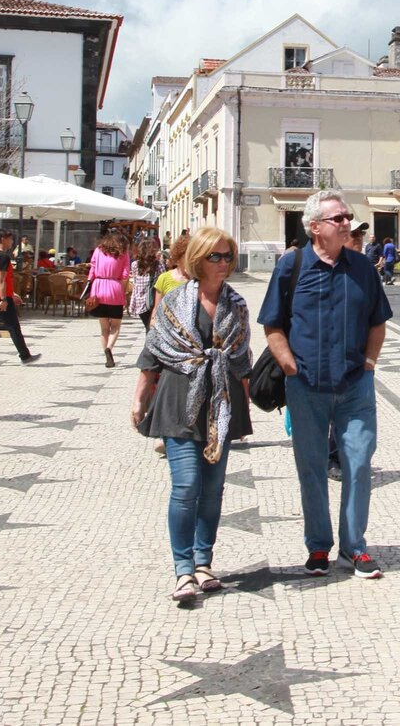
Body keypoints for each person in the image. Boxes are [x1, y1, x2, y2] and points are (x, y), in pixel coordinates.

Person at [258, 188, 392, 579]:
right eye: (339, 218)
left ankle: (354, 548)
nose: (347, 223)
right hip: (306, 386)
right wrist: (289, 366)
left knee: (358, 464)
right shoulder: (292, 265)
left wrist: (369, 364)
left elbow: (378, 322)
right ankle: (318, 546)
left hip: (355, 386)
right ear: (315, 227)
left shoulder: (362, 268)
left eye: (348, 217)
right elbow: (272, 324)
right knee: (312, 468)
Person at [130, 227, 252, 602]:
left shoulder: (237, 305)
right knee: (186, 486)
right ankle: (183, 570)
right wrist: (139, 398)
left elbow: (241, 359)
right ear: (198, 260)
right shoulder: (174, 301)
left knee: (212, 490)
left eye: (228, 256)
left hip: (220, 403)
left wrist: (244, 408)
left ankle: (203, 563)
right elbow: (154, 350)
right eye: (215, 256)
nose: (223, 263)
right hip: (178, 400)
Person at [0, 230, 40, 365]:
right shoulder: (3, 257)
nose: (11, 242)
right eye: (10, 239)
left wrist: (12, 293)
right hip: (0, 296)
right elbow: (1, 280)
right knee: (13, 327)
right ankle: (25, 356)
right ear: (3, 239)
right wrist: (4, 299)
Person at [86, 231, 131, 367]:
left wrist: (90, 285)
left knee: (104, 327)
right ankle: (109, 348)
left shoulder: (99, 250)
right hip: (114, 287)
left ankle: (106, 352)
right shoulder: (123, 253)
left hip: (98, 287)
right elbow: (125, 275)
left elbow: (92, 270)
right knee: (115, 325)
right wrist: (122, 293)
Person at [129, 238, 162, 331]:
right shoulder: (158, 265)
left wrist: (132, 304)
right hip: (154, 301)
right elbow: (162, 281)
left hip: (140, 302)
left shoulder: (135, 265)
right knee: (152, 328)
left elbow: (136, 283)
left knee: (148, 328)